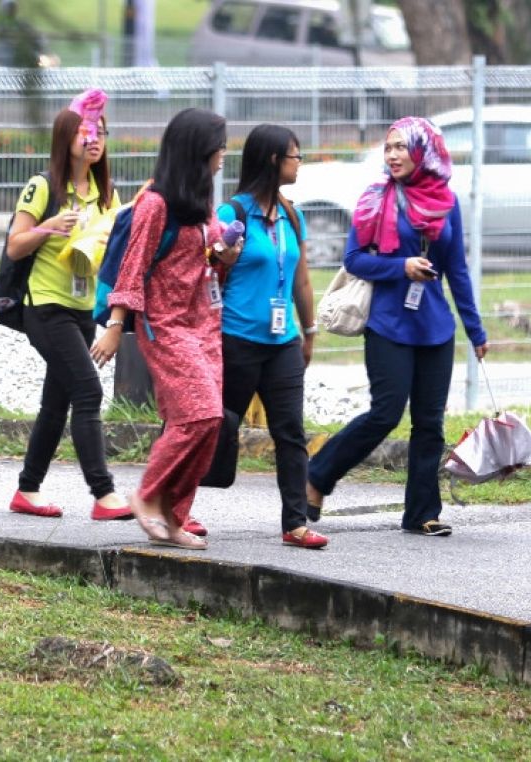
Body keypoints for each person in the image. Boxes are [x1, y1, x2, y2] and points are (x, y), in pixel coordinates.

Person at [306, 117, 488, 538]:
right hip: (388, 323)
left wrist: (476, 331)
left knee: (430, 423)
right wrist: (400, 266)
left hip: (435, 327)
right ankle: (317, 476)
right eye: (388, 147)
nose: (392, 155)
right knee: (386, 413)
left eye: (401, 147)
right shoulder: (374, 200)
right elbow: (354, 260)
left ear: (425, 151)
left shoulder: (446, 201)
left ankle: (422, 512)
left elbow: (457, 270)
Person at [90, 108, 239, 550]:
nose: (224, 153)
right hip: (166, 327)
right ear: (199, 150)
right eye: (219, 144)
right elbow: (132, 269)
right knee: (201, 414)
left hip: (206, 326)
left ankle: (175, 519)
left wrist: (223, 258)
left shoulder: (201, 204)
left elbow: (206, 265)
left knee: (209, 424)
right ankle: (147, 495)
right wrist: (117, 325)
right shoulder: (154, 204)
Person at [3, 92, 133, 522]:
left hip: (82, 308)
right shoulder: (43, 187)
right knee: (88, 390)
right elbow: (15, 247)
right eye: (86, 131)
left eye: (102, 132)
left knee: (56, 403)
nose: (95, 139)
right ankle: (104, 493)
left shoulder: (106, 194)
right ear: (66, 137)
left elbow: (115, 254)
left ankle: (27, 490)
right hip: (44, 307)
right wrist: (48, 228)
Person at [216, 124, 327, 549]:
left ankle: (295, 522)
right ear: (272, 160)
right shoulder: (234, 214)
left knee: (290, 431)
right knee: (216, 425)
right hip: (237, 338)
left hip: (283, 342)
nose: (299, 163)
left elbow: (300, 279)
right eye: (295, 156)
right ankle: (180, 504)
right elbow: (210, 270)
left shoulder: (291, 214)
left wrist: (310, 330)